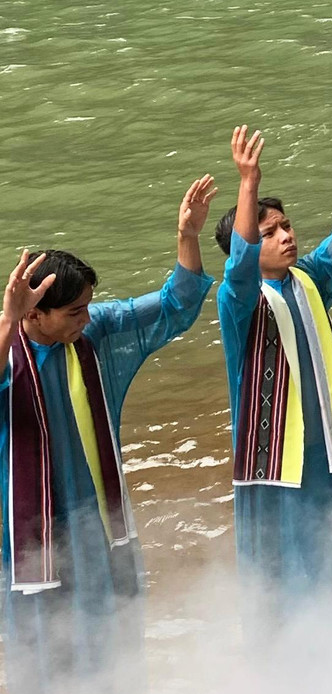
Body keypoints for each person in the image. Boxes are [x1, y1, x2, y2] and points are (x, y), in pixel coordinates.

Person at [0, 177, 218, 694]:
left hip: (94, 522)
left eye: (86, 308)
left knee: (109, 638)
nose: (85, 318)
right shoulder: (10, 345)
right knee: (39, 648)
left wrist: (187, 236)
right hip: (25, 535)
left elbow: (173, 305)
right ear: (34, 313)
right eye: (73, 312)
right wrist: (9, 322)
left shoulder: (92, 331)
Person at [215, 103, 332, 604]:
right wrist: (247, 184)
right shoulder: (239, 302)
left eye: (286, 226)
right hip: (273, 461)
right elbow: (241, 268)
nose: (286, 235)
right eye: (269, 232)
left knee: (329, 560)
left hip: (325, 450)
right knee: (277, 568)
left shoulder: (310, 278)